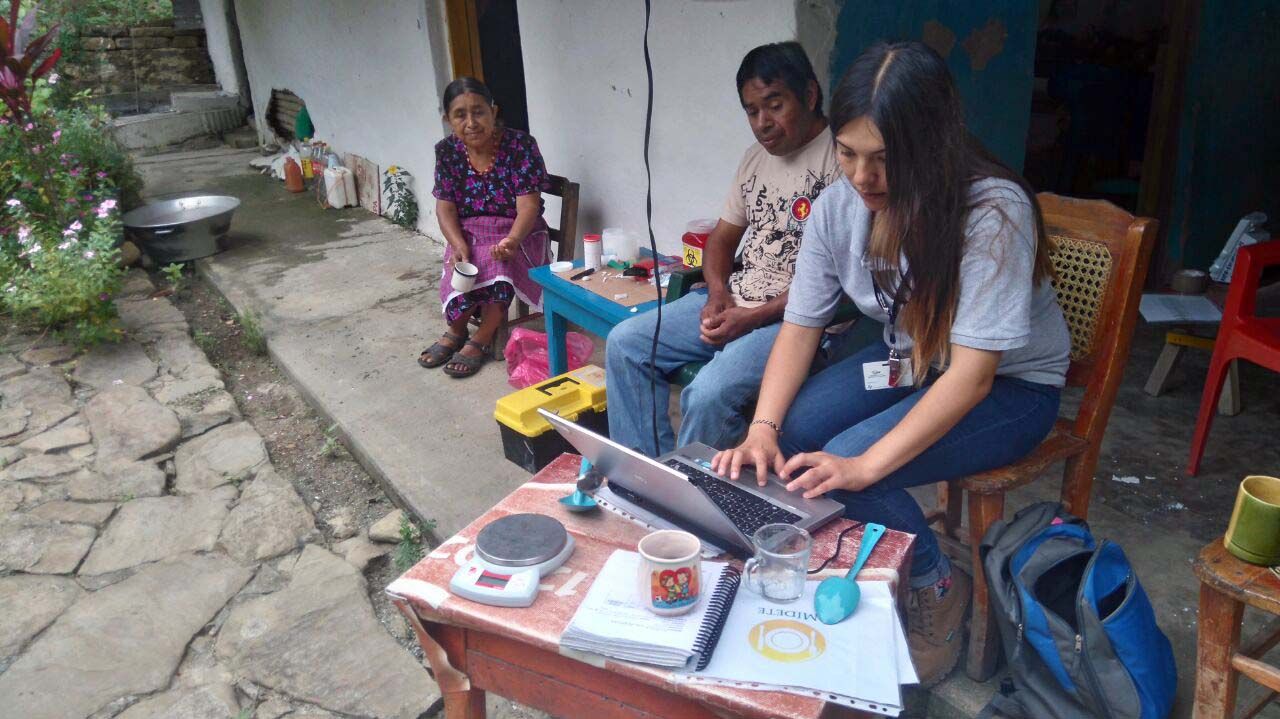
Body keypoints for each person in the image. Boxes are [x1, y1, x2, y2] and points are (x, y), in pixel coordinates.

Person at [712, 41, 1071, 687]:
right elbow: (801, 324)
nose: (862, 176)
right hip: (912, 357)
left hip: (1010, 385)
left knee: (845, 467)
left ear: (933, 144)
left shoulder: (992, 212)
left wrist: (864, 464)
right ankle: (854, 554)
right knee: (793, 435)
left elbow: (973, 374)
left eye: (884, 158)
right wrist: (762, 428)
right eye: (848, 153)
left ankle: (936, 583)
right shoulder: (838, 208)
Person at [606, 42, 840, 457]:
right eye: (752, 111)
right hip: (739, 303)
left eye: (775, 105)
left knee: (708, 392)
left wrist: (752, 318)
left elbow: (833, 281)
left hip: (802, 322)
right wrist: (717, 293)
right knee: (626, 344)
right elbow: (722, 239)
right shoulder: (754, 160)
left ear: (809, 95)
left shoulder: (841, 159)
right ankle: (649, 476)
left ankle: (694, 490)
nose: (763, 123)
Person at [419, 77, 553, 378]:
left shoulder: (520, 146)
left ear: (493, 111)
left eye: (478, 112)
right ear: (448, 120)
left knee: (498, 262)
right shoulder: (447, 151)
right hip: (469, 231)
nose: (471, 123)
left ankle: (480, 339)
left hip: (519, 230)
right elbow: (445, 207)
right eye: (460, 114)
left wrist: (512, 240)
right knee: (463, 264)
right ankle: (456, 331)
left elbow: (528, 207)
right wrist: (458, 244)